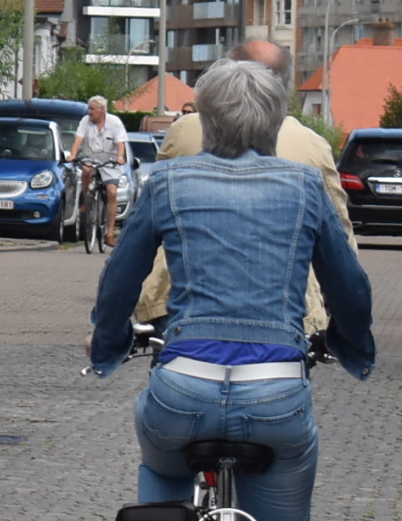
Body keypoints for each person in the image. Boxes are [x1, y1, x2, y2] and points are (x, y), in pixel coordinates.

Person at [88, 59, 374, 521]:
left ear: (204, 121)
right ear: (275, 123)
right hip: (277, 395)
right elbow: (347, 284)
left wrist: (111, 343)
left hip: (183, 387)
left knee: (160, 458)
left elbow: (122, 275)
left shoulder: (171, 183)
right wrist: (350, 344)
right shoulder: (304, 186)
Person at [138, 40, 350, 333]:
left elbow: (143, 232)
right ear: (285, 86)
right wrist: (345, 323)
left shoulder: (185, 130)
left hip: (180, 300)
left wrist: (110, 327)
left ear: (223, 77)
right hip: (288, 308)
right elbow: (340, 243)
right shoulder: (313, 147)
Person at [70, 95, 131, 249]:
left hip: (110, 161)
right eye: (88, 108)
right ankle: (87, 199)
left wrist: (119, 157)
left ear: (102, 110)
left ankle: (109, 233)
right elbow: (78, 139)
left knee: (111, 192)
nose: (89, 112)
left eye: (92, 109)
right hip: (92, 157)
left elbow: (120, 143)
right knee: (86, 170)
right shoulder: (85, 121)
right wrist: (73, 155)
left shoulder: (115, 122)